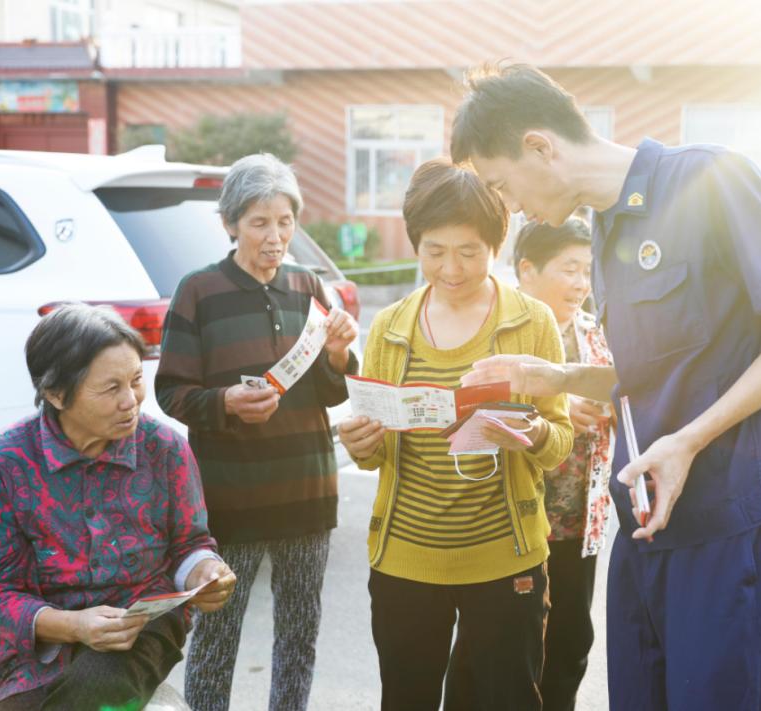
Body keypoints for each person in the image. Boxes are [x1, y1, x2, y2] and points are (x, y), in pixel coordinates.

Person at [452, 63, 761, 710]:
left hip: (723, 524)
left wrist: (689, 440)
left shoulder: (710, 178)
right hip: (643, 527)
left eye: (502, 184)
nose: (509, 205)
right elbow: (652, 376)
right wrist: (558, 376)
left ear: (540, 146)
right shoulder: (603, 232)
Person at [335, 158, 573, 711]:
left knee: (506, 699)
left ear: (496, 246)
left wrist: (533, 433)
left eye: (469, 252)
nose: (451, 268)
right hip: (405, 561)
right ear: (416, 244)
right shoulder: (390, 327)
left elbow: (559, 440)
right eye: (434, 251)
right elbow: (377, 452)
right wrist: (362, 447)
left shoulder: (531, 321)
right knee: (406, 698)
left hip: (504, 560)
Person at [155, 153, 360, 711]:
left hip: (306, 493)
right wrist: (225, 401)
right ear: (230, 224)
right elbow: (170, 391)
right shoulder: (198, 291)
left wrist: (339, 355)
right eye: (259, 223)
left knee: (299, 636)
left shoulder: (308, 285)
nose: (276, 237)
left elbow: (331, 391)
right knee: (217, 638)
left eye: (286, 221)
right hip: (229, 500)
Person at [0, 303, 235, 711]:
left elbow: (190, 542)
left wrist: (204, 572)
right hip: (31, 644)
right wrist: (72, 626)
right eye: (110, 388)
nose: (131, 401)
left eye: (136, 380)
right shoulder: (3, 463)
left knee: (97, 686)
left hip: (137, 627)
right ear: (55, 393)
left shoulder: (165, 449)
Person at [513, 218, 615, 711]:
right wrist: (556, 411)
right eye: (569, 269)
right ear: (527, 271)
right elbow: (473, 408)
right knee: (508, 653)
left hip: (579, 523)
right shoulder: (506, 330)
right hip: (514, 525)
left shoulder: (596, 334)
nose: (581, 284)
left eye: (587, 271)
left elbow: (627, 395)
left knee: (571, 643)